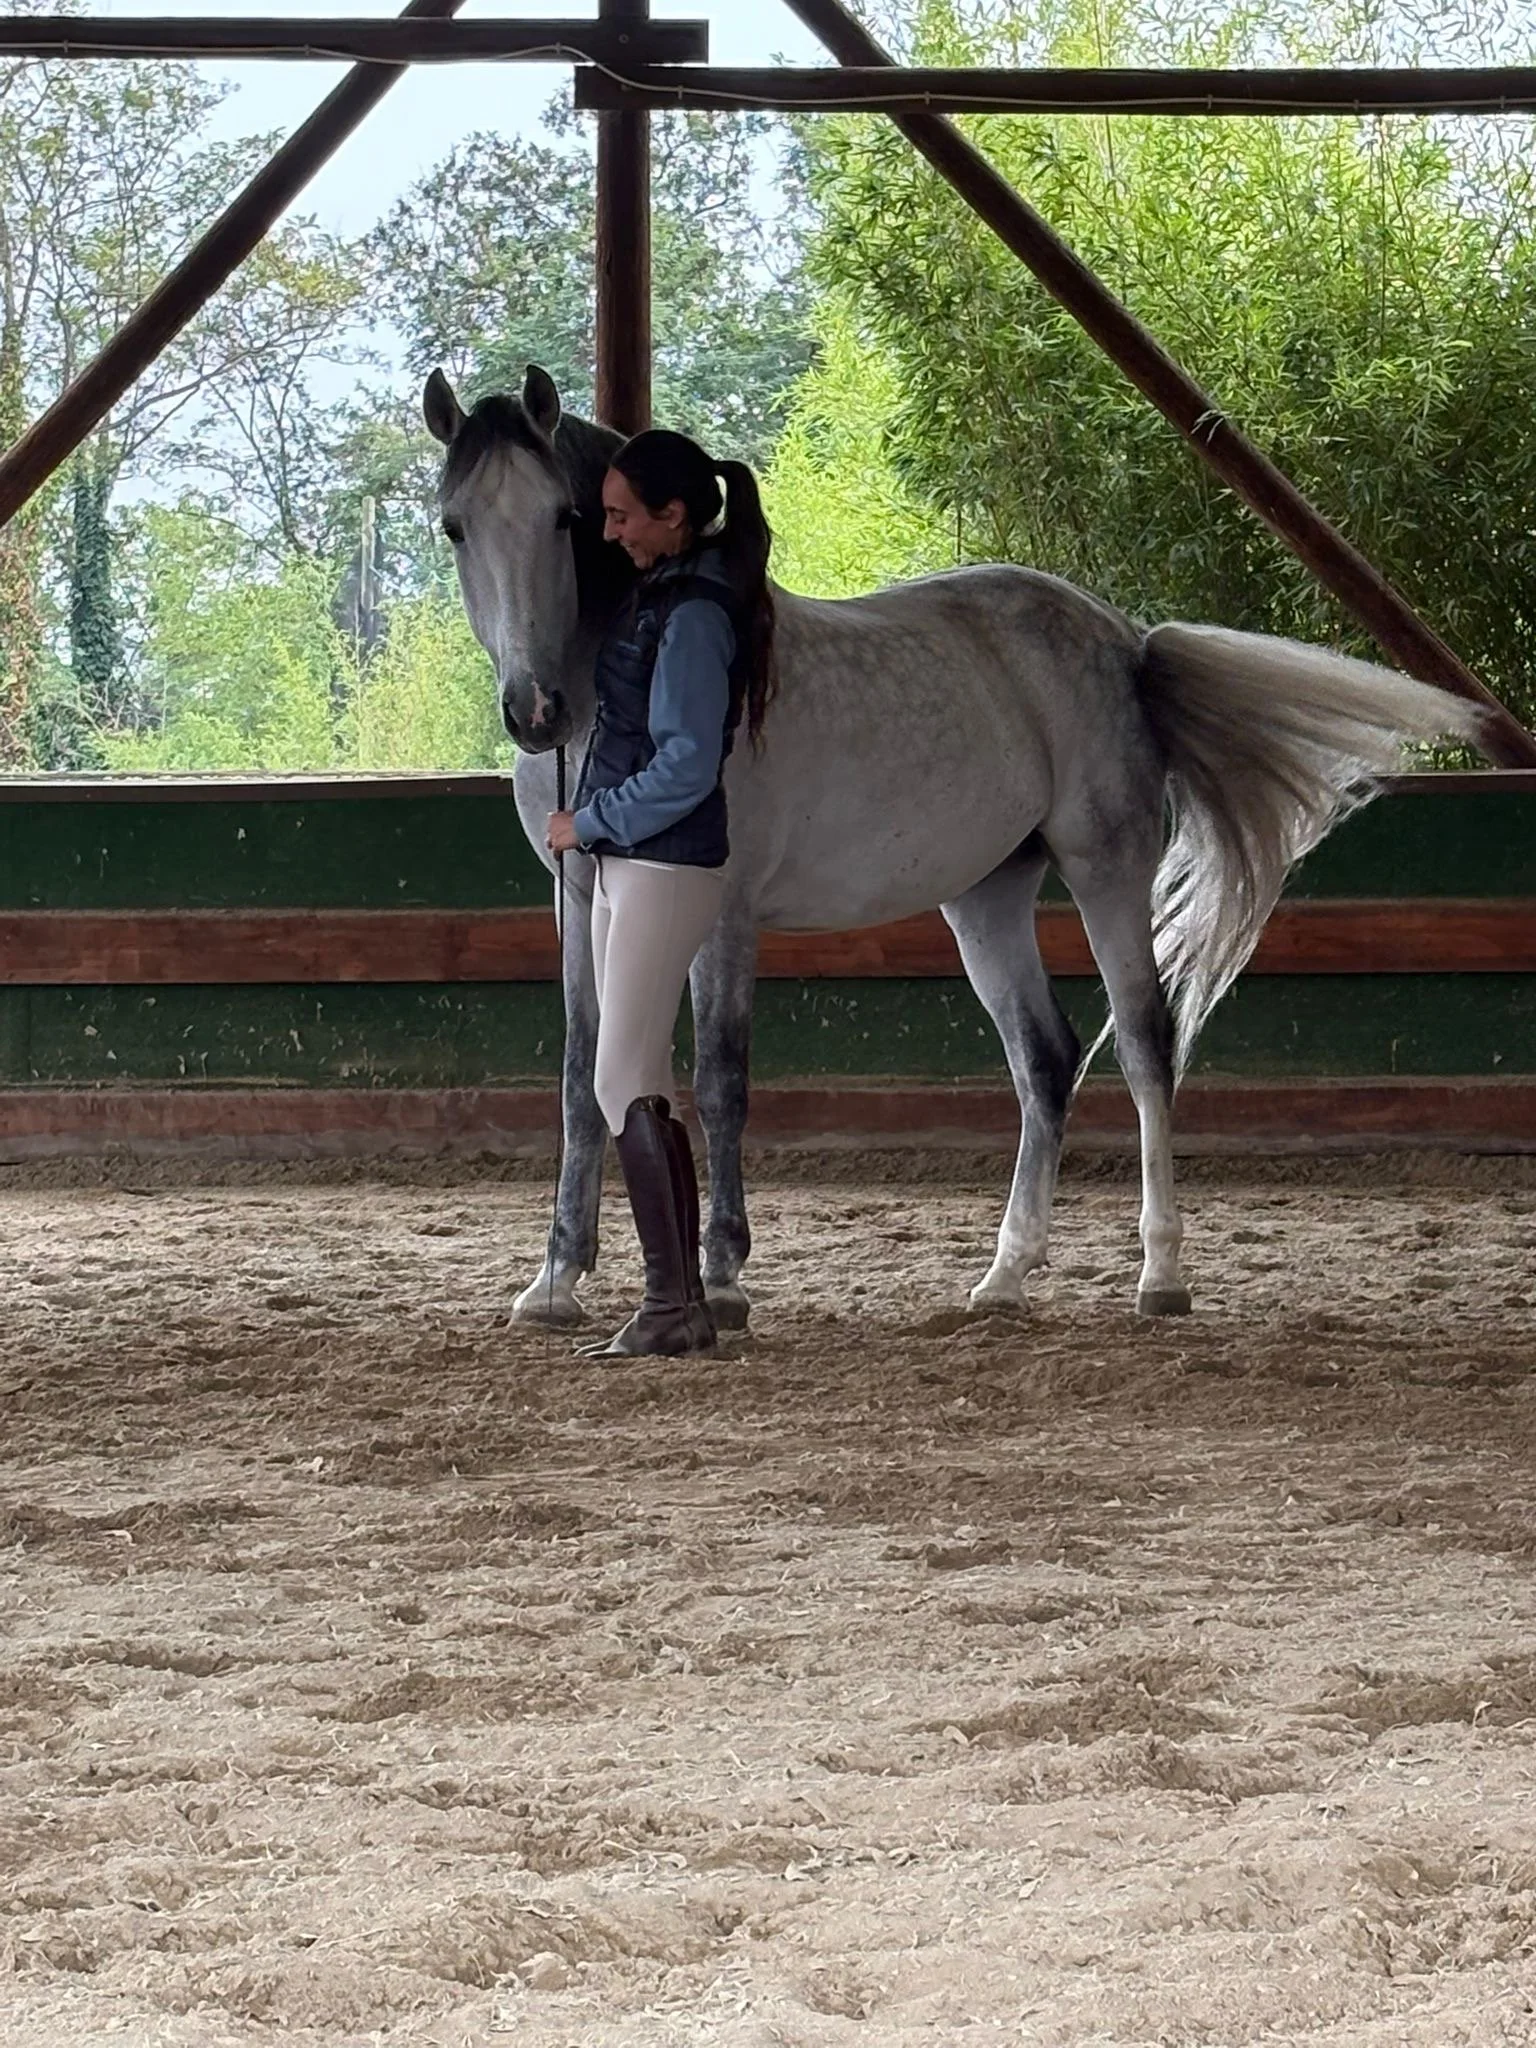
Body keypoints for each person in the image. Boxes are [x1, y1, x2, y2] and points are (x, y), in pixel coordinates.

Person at [545, 429, 776, 1358]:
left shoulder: (695, 615)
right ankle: (676, 1300)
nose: (609, 533)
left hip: (663, 863)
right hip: (638, 864)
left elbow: (685, 764)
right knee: (640, 1076)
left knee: (618, 1076)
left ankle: (671, 1302)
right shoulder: (671, 595)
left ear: (674, 516)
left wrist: (590, 821)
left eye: (621, 516)